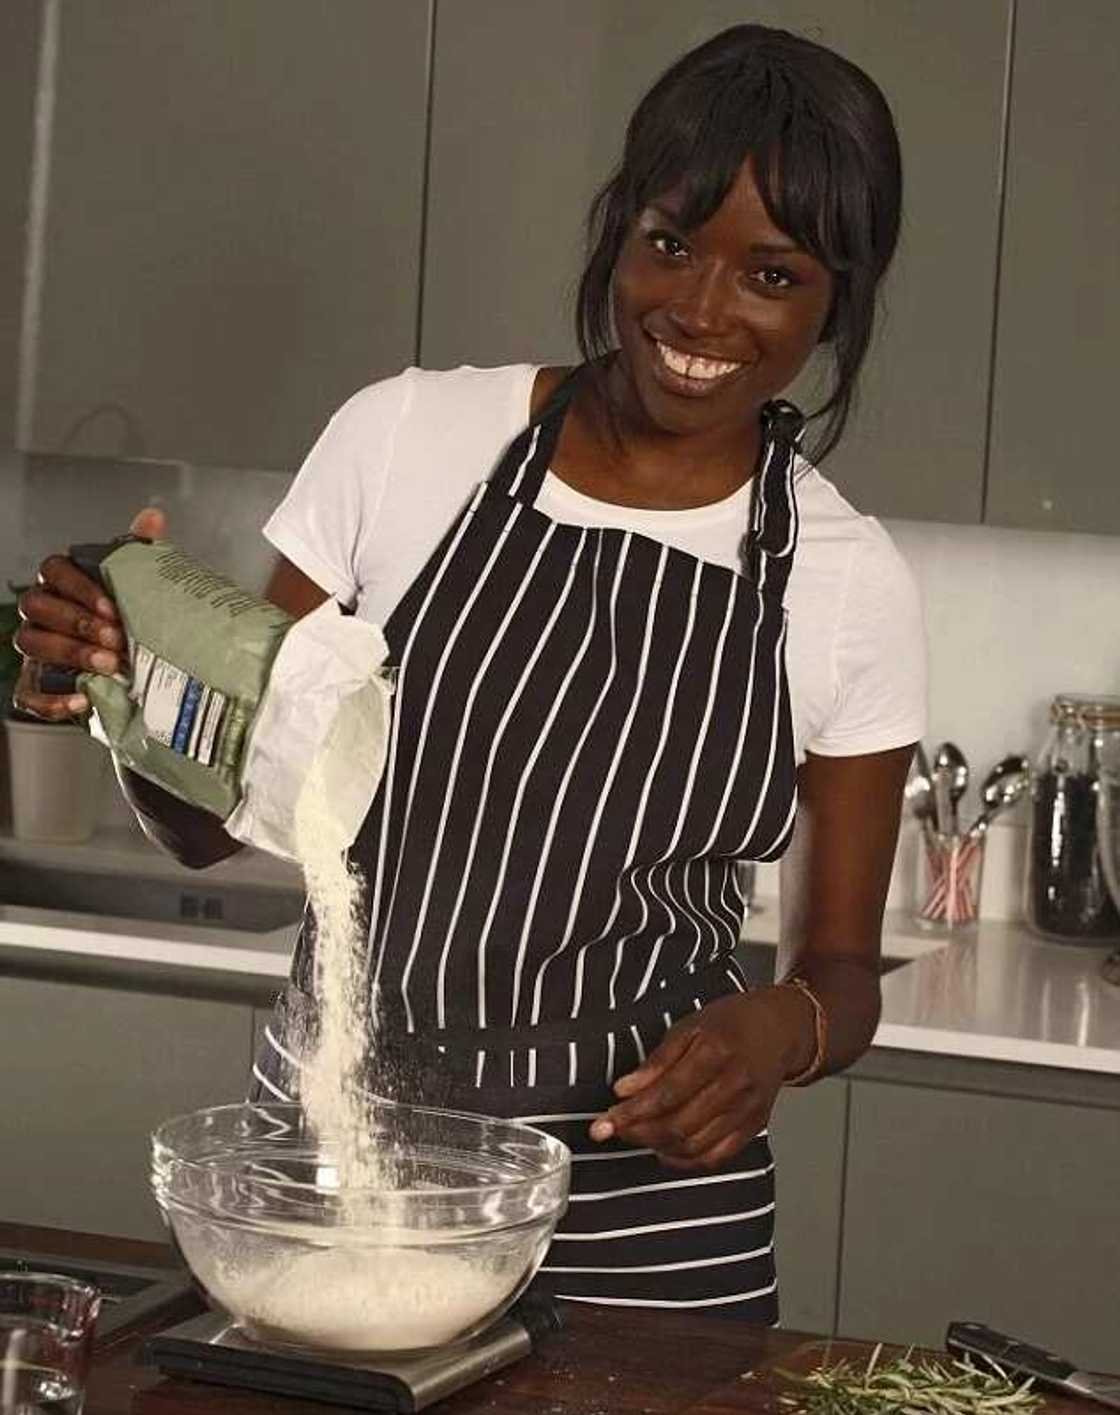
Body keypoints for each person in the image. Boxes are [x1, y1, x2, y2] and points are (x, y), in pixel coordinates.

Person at [14, 24, 925, 1322]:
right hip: (343, 1182)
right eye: (669, 243)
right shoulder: (407, 442)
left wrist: (772, 1034)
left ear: (836, 298)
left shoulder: (845, 582)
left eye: (769, 274)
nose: (701, 311)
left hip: (647, 1231)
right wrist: (129, 683)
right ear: (616, 229)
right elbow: (222, 829)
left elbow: (842, 971)